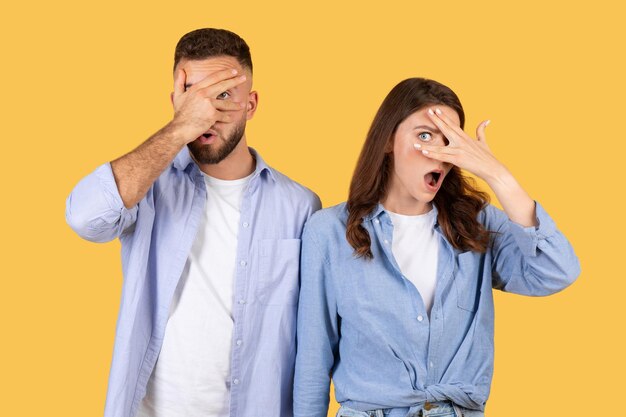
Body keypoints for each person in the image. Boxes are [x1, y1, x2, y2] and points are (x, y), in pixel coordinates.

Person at [66, 28, 320, 417]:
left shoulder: (300, 206)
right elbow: (84, 218)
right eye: (194, 98)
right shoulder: (146, 187)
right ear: (176, 103)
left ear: (250, 104)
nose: (208, 114)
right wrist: (179, 129)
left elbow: (313, 339)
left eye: (222, 97)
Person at [293, 78, 580, 417]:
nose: (439, 153)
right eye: (424, 135)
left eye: (450, 141)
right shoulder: (328, 231)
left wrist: (498, 176)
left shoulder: (477, 223)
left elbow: (556, 271)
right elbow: (313, 358)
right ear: (387, 140)